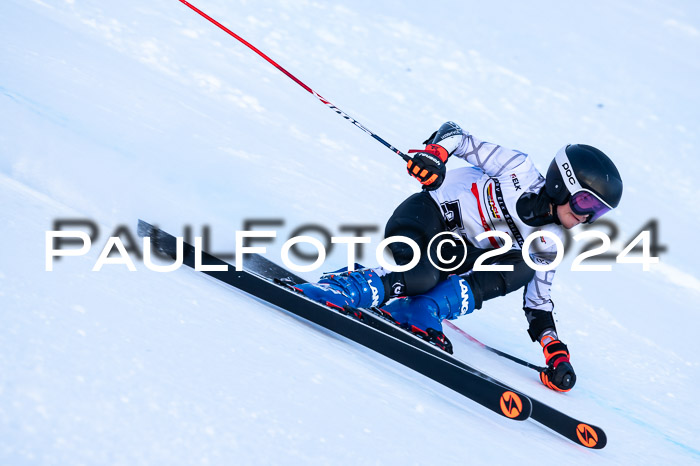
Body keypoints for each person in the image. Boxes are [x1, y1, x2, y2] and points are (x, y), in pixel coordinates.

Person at [298, 121, 623, 392]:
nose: (586, 218)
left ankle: (423, 309)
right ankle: (340, 290)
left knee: (524, 266)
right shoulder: (517, 169)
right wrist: (435, 158)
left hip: (454, 257)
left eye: (597, 212)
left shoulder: (548, 242)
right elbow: (455, 135)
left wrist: (555, 352)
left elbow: (538, 302)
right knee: (420, 274)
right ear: (561, 184)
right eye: (585, 204)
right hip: (424, 218)